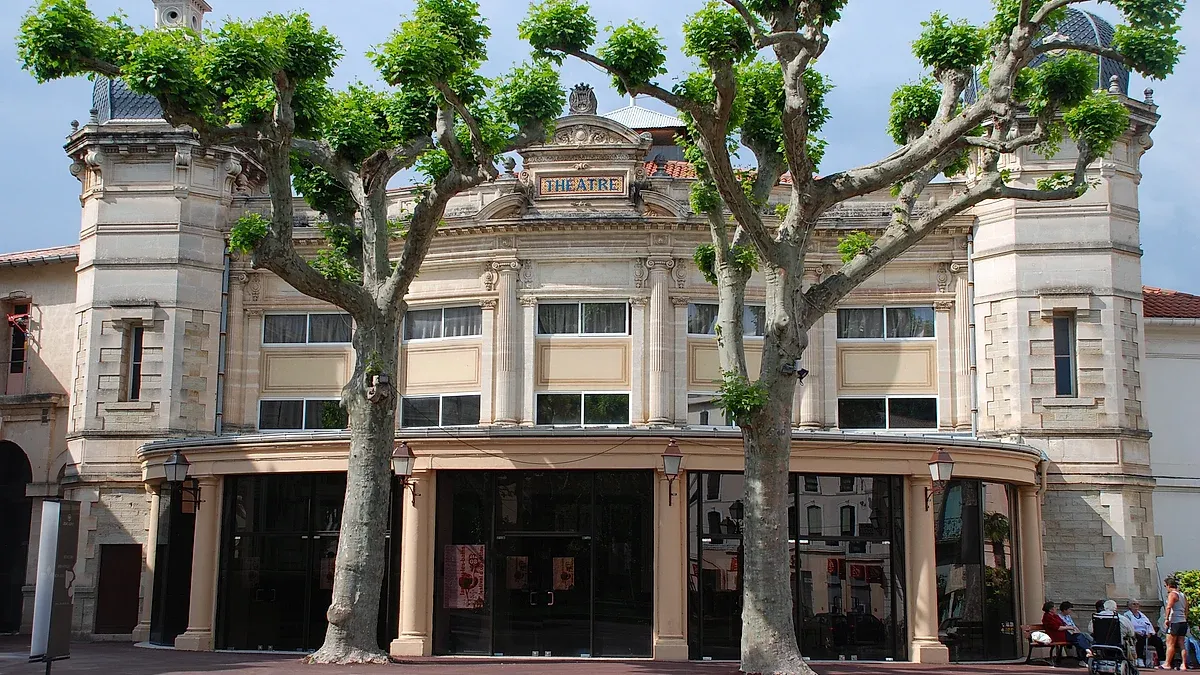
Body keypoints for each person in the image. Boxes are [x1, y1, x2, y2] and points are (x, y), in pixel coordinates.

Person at [1126, 599, 1166, 666]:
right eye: (1134, 604)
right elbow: (1128, 626)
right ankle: (1140, 659)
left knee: (1158, 640)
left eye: (1137, 604)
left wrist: (1150, 633)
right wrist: (1136, 632)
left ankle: (1162, 660)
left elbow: (1148, 624)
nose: (1136, 605)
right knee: (1140, 639)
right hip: (1135, 634)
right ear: (1129, 606)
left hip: (1146, 634)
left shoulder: (1142, 615)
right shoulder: (1127, 615)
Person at [1163, 577, 1190, 671]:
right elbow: (1186, 609)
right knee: (1182, 643)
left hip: (1175, 621)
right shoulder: (1182, 595)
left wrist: (1166, 619)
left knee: (1170, 643)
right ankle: (1183, 664)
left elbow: (1168, 607)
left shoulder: (1172, 594)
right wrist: (1185, 618)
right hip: (1183, 621)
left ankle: (1167, 663)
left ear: (1168, 585)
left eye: (1165, 586)